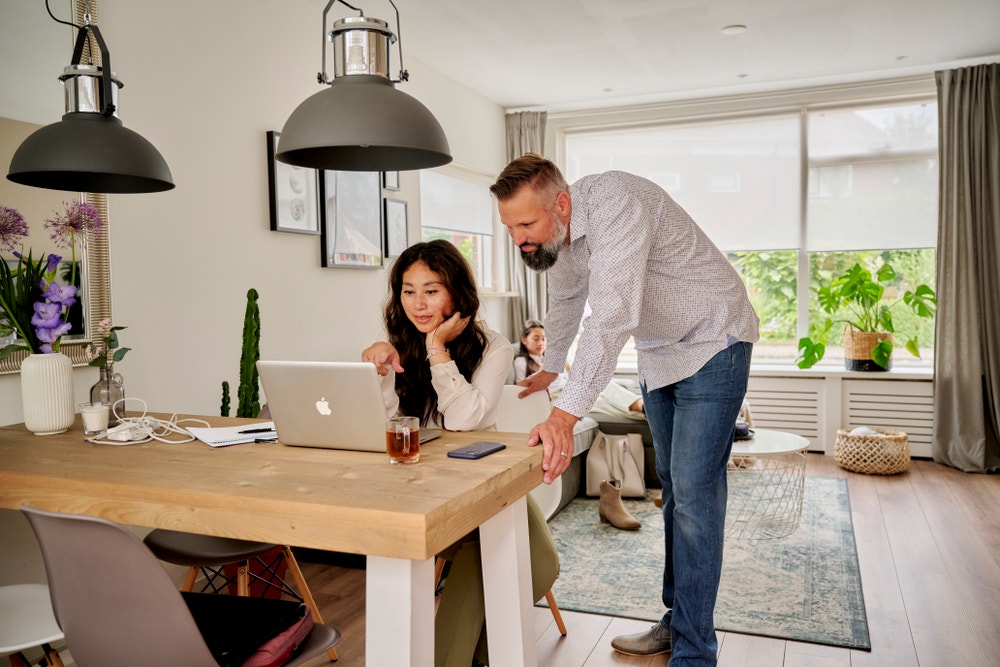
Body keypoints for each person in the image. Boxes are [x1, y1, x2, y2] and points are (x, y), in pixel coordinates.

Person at [491, 154, 759, 665]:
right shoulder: (561, 239)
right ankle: (677, 622)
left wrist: (566, 414)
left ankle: (695, 653)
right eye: (509, 227)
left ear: (561, 204)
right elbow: (569, 300)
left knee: (696, 502)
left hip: (712, 341)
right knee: (676, 493)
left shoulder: (616, 203)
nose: (519, 237)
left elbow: (611, 315)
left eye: (526, 223)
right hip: (660, 354)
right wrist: (550, 366)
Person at [360, 239, 556, 667]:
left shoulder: (495, 346)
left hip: (483, 481)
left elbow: (464, 420)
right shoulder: (396, 344)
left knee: (541, 565)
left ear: (456, 292)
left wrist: (437, 350)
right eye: (408, 291)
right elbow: (388, 425)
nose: (418, 303)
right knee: (524, 563)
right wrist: (372, 374)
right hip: (419, 487)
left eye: (431, 290)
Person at [514, 318, 646, 420]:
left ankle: (644, 409)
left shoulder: (552, 358)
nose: (541, 343)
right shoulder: (521, 362)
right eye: (536, 339)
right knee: (602, 404)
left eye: (543, 339)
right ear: (524, 340)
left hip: (571, 392)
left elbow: (575, 377)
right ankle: (645, 409)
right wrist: (543, 370)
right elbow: (520, 388)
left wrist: (567, 365)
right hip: (556, 398)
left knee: (603, 387)